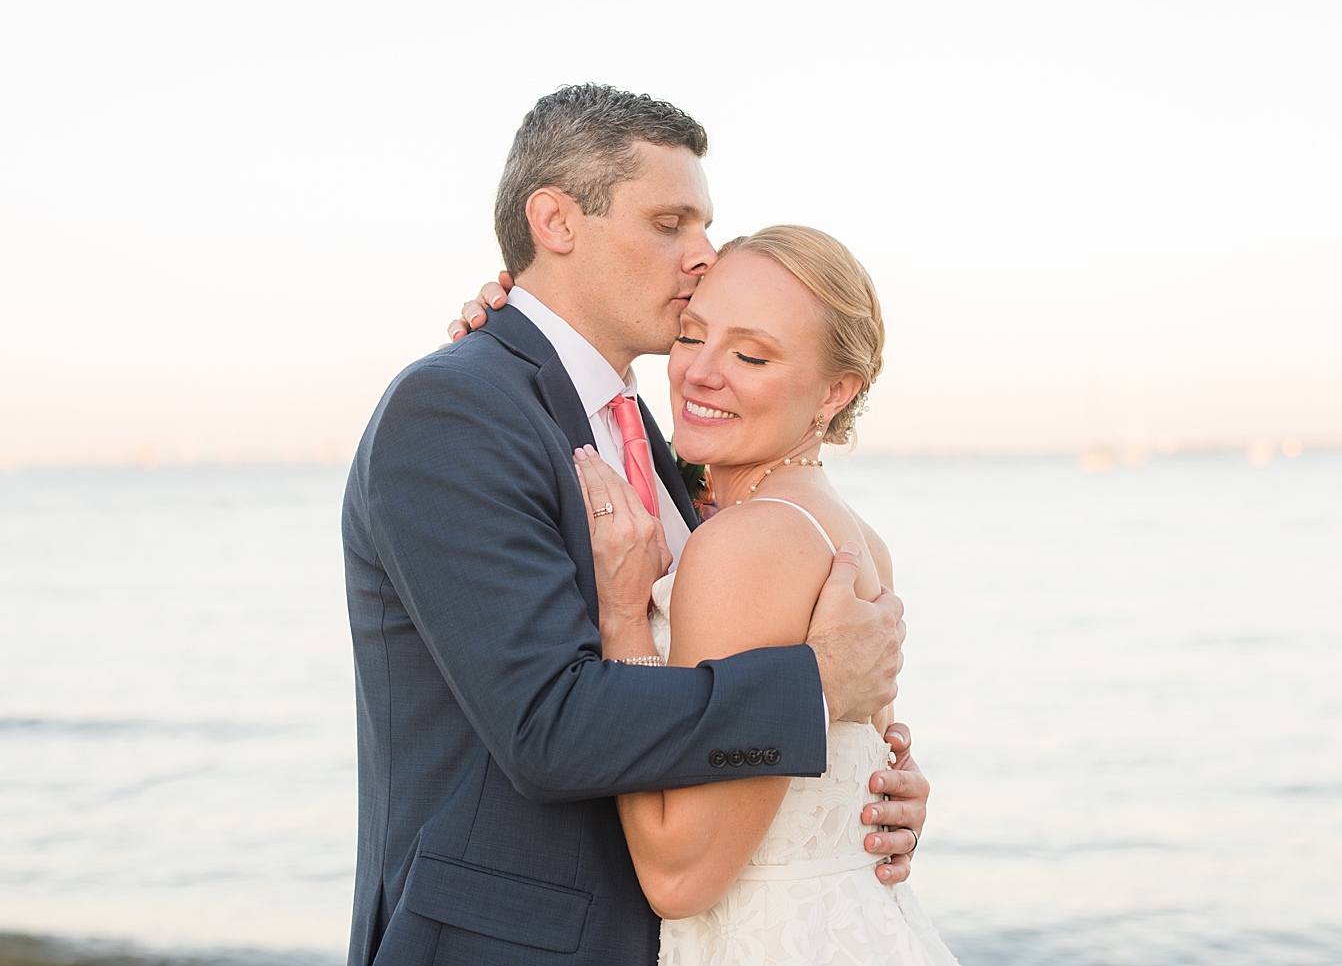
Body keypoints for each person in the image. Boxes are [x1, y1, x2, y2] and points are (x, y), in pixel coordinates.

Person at [342, 84, 928, 966]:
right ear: (556, 221)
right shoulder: (454, 408)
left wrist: (854, 784)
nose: (703, 255)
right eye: (670, 224)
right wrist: (815, 691)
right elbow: (545, 721)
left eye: (705, 226)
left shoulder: (644, 428)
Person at [568, 225, 960, 963]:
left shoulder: (748, 542)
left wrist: (623, 619)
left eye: (751, 355)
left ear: (836, 391)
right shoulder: (854, 535)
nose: (699, 373)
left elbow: (678, 875)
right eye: (690, 336)